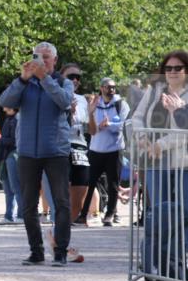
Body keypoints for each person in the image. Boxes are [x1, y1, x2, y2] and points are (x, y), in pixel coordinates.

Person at [0, 41, 76, 267]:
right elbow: (5, 102)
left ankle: (60, 251)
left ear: (54, 61)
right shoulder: (26, 83)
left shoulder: (64, 83)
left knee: (61, 202)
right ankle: (36, 251)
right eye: (37, 56)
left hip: (55, 151)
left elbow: (63, 102)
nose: (40, 61)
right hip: (27, 151)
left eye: (45, 57)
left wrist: (45, 79)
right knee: (28, 205)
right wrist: (22, 78)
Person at [129, 50, 188, 210]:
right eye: (168, 68)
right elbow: (137, 117)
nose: (172, 72)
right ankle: (157, 236)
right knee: (158, 209)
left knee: (185, 211)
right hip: (153, 159)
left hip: (183, 162)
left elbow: (185, 131)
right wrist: (142, 138)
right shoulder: (154, 90)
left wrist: (159, 145)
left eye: (178, 68)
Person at [75, 77, 128, 226]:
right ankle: (83, 214)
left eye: (112, 87)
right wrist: (92, 115)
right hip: (96, 150)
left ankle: (109, 215)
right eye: (107, 87)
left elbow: (122, 125)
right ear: (101, 88)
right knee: (89, 183)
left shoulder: (121, 104)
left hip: (114, 150)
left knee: (113, 184)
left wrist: (108, 124)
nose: (110, 90)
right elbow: (92, 130)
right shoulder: (94, 104)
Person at [59, 63, 91, 223]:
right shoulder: (55, 95)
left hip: (81, 147)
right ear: (62, 77)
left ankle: (70, 228)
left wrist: (92, 114)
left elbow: (90, 130)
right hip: (62, 148)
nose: (75, 80)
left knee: (80, 192)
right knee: (62, 196)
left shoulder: (82, 100)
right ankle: (60, 232)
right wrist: (67, 112)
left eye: (78, 77)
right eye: (71, 77)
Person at [0, 106, 21, 225]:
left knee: (16, 187)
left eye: (6, 106)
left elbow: (15, 140)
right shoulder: (9, 119)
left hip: (14, 155)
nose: (4, 109)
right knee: (7, 187)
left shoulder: (17, 119)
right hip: (7, 155)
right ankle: (9, 215)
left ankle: (21, 215)